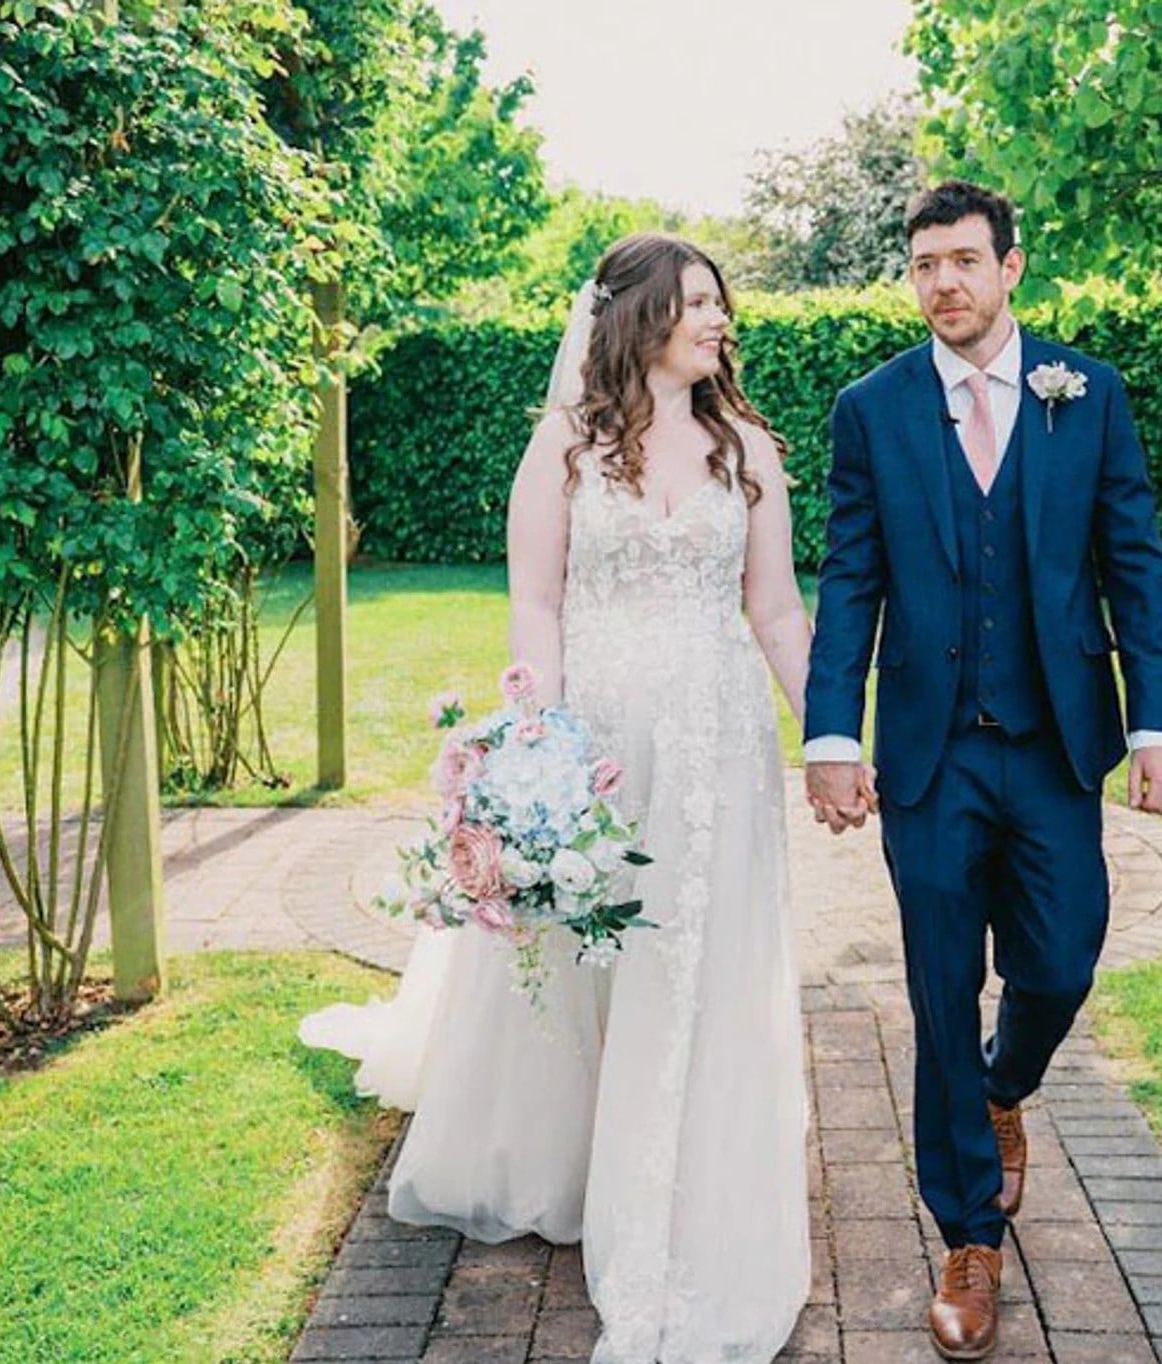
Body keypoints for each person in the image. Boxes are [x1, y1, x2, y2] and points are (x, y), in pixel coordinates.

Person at [300, 233, 812, 1364]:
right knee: (586, 955)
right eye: (693, 305)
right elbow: (534, 605)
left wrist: (828, 731)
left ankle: (685, 1157)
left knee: (694, 955)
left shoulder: (750, 450)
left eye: (720, 305)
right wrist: (541, 745)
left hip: (719, 742)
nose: (716, 321)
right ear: (633, 319)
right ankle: (567, 1151)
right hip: (599, 738)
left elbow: (774, 610)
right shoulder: (566, 449)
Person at [801, 181, 1162, 1361]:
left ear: (1010, 266)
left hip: (1055, 740)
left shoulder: (1089, 393)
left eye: (963, 259)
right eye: (923, 265)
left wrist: (1156, 720)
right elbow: (850, 577)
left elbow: (1135, 563)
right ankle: (968, 1236)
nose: (943, 283)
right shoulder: (871, 408)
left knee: (1062, 957)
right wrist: (829, 734)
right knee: (933, 992)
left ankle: (1004, 1084)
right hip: (926, 753)